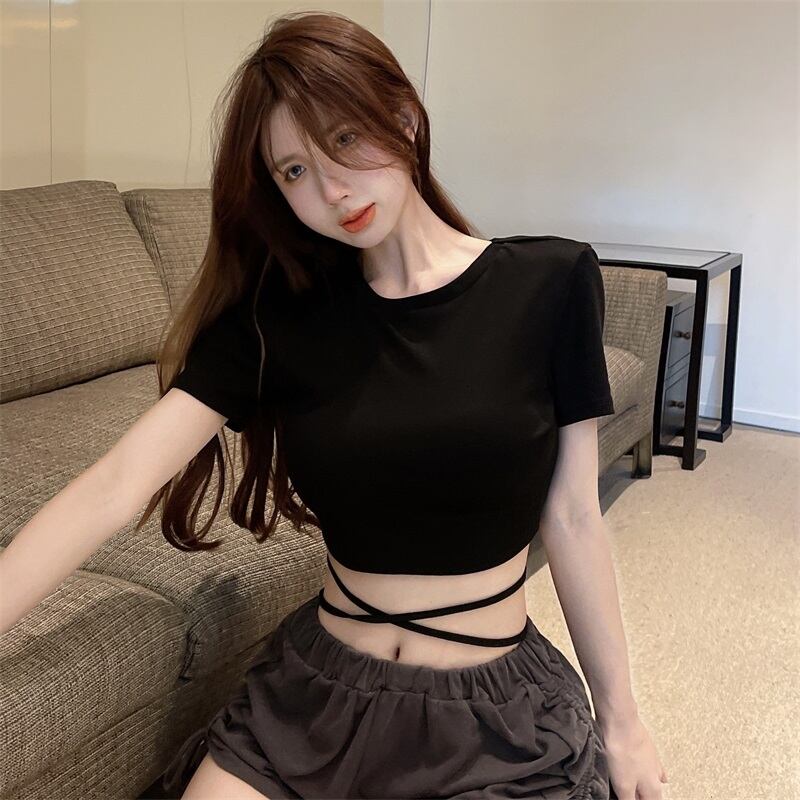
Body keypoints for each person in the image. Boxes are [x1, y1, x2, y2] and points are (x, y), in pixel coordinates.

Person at [0, 10, 668, 800]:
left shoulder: (549, 284)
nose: (331, 190)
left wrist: (623, 721)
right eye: (293, 171)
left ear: (405, 119)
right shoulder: (277, 316)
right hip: (317, 700)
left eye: (345, 139)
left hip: (490, 715)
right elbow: (115, 485)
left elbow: (575, 515)